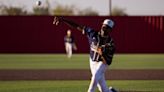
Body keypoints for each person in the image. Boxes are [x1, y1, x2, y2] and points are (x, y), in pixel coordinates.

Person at [53, 17, 117, 92]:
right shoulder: (92, 33)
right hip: (92, 62)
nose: (104, 29)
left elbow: (108, 62)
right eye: (104, 26)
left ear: (110, 30)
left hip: (102, 63)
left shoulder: (110, 43)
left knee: (95, 77)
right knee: (103, 89)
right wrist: (63, 19)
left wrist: (102, 53)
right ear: (101, 25)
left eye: (107, 28)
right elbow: (77, 26)